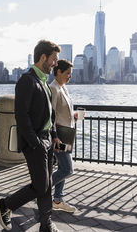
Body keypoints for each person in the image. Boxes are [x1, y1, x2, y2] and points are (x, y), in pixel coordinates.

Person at [0, 40, 62, 232]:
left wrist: (55, 136)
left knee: (47, 184)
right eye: (53, 59)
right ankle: (6, 204)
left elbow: (50, 114)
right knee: (42, 185)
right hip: (36, 141)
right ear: (43, 58)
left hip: (47, 138)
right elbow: (21, 115)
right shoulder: (27, 80)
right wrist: (35, 143)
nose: (55, 64)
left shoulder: (43, 81)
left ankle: (46, 224)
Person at [50, 59, 77, 213]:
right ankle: (42, 188)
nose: (69, 77)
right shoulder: (53, 88)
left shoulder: (63, 88)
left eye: (70, 74)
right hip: (59, 135)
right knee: (67, 169)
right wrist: (54, 137)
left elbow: (62, 111)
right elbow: (51, 116)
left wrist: (72, 116)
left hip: (66, 133)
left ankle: (58, 199)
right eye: (67, 73)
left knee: (62, 167)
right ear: (58, 72)